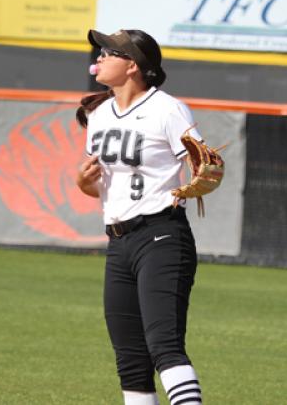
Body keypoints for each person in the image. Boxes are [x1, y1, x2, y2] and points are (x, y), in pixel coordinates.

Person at [76, 29, 204, 405]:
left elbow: (204, 166)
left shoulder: (167, 109)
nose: (98, 58)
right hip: (119, 243)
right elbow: (99, 190)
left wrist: (204, 177)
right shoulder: (98, 115)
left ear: (132, 65)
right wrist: (81, 182)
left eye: (107, 52)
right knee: (130, 361)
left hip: (161, 236)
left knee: (164, 346)